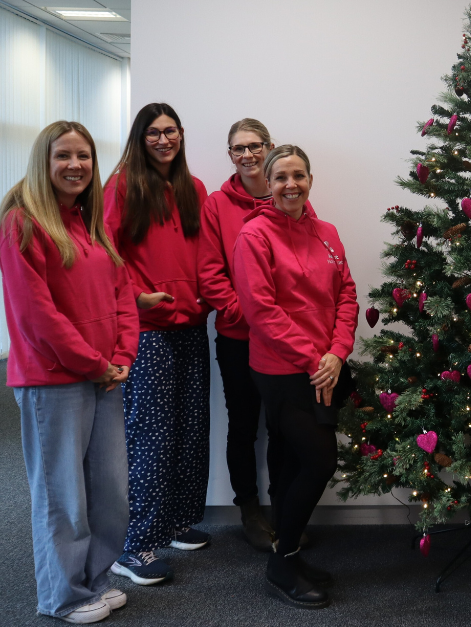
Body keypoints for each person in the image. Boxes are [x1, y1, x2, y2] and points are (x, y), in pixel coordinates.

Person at [0, 121, 138, 623]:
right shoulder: (23, 223)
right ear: (44, 161)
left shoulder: (90, 221)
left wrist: (122, 355)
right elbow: (37, 316)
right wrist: (95, 362)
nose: (75, 165)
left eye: (83, 156)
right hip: (53, 381)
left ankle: (94, 580)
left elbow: (123, 292)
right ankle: (62, 595)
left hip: (104, 377)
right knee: (64, 497)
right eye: (64, 156)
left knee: (108, 492)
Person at [233, 145, 358, 609]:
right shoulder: (254, 236)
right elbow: (261, 312)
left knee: (292, 463)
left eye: (299, 176)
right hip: (283, 370)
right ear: (267, 184)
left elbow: (347, 294)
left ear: (310, 180)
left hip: (325, 365)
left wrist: (337, 352)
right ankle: (281, 564)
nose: (291, 184)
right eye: (281, 177)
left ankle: (289, 553)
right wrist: (314, 360)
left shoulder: (327, 232)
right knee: (318, 461)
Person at [104, 103, 212, 585]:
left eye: (171, 131)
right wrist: (136, 297)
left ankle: (175, 523)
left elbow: (206, 254)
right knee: (150, 438)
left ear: (182, 135)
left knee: (191, 430)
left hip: (190, 325)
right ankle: (134, 546)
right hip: (147, 330)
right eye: (154, 133)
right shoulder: (123, 185)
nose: (164, 140)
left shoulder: (194, 189)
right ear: (140, 137)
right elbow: (103, 251)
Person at [199, 118, 283, 550]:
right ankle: (249, 509)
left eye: (254, 146)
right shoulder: (216, 204)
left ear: (270, 147)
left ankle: (287, 510)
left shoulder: (288, 192)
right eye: (238, 149)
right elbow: (211, 274)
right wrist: (253, 317)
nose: (247, 155)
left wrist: (281, 325)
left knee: (285, 427)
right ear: (229, 155)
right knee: (244, 426)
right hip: (238, 337)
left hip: (284, 342)